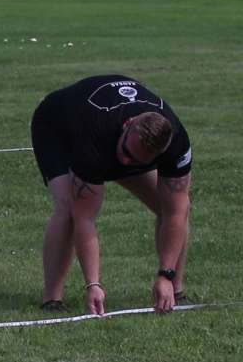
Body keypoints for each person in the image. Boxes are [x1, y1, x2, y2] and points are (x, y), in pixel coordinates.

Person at [31, 74, 193, 315]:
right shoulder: (94, 137)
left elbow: (176, 213)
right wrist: (93, 284)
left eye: (136, 161)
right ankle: (52, 300)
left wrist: (165, 275)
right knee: (68, 209)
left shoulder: (176, 143)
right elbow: (84, 218)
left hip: (112, 141)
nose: (127, 162)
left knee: (170, 207)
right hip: (56, 128)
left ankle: (174, 290)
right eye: (127, 153)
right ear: (128, 125)